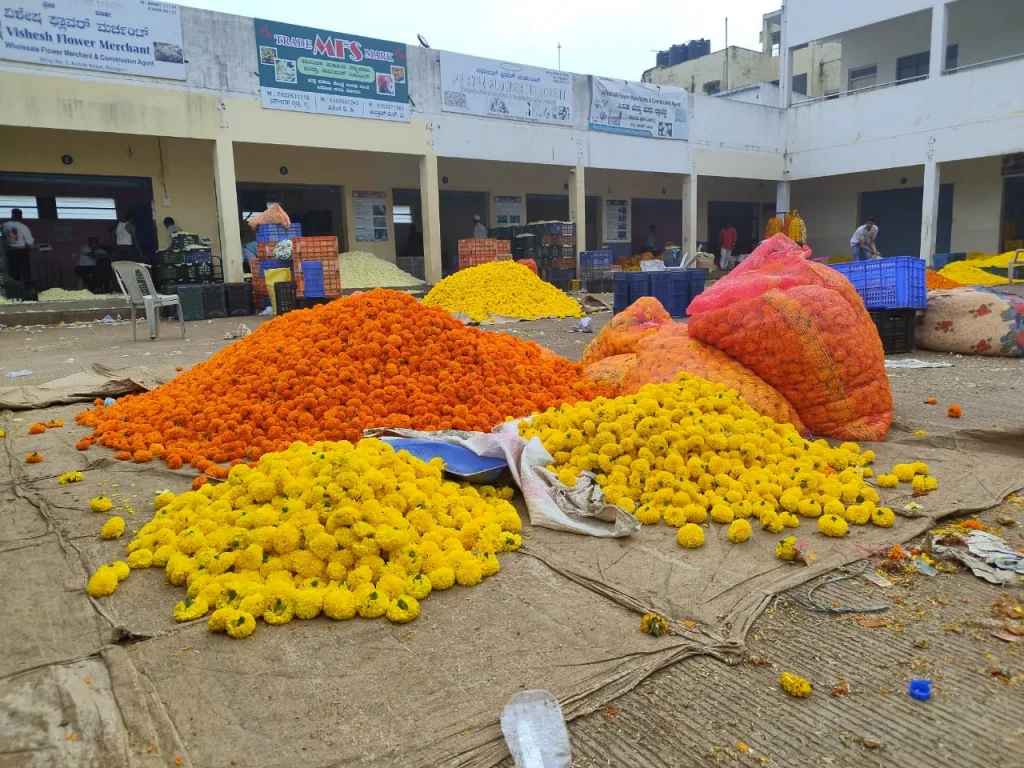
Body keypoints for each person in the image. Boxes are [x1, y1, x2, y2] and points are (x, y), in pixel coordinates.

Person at [2, 208, 34, 283]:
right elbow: (29, 242)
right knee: (25, 272)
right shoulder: (23, 227)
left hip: (12, 251)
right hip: (21, 251)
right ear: (20, 217)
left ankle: (17, 289)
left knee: (14, 272)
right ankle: (26, 289)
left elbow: (4, 237)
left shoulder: (5, 225)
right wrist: (30, 249)